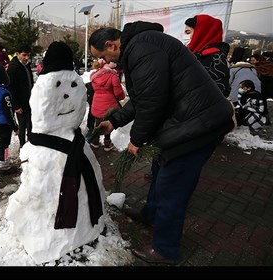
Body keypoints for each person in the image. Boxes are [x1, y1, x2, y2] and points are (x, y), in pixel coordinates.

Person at [89, 22, 235, 264]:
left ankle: (165, 249)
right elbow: (143, 97)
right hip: (188, 118)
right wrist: (114, 121)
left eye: (102, 56)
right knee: (160, 168)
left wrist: (136, 140)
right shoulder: (140, 46)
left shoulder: (141, 49)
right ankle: (151, 213)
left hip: (197, 124)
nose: (104, 62)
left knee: (172, 187)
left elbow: (152, 101)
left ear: (111, 44)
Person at [184, 15, 231, 97]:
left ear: (201, 33)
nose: (185, 37)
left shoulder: (216, 57)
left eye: (188, 32)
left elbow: (221, 90)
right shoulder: (191, 55)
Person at [89, 59, 125, 151]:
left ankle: (95, 141)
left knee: (98, 123)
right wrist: (121, 96)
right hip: (109, 104)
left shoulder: (94, 75)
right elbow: (118, 93)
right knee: (109, 123)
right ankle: (107, 144)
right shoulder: (113, 76)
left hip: (97, 103)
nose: (114, 63)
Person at [7, 43, 34, 148]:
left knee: (30, 123)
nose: (26, 58)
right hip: (20, 102)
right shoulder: (13, 68)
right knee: (22, 125)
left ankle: (31, 143)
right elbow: (11, 88)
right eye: (24, 55)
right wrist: (16, 105)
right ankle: (22, 145)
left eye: (28, 55)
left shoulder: (26, 65)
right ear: (17, 54)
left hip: (29, 99)